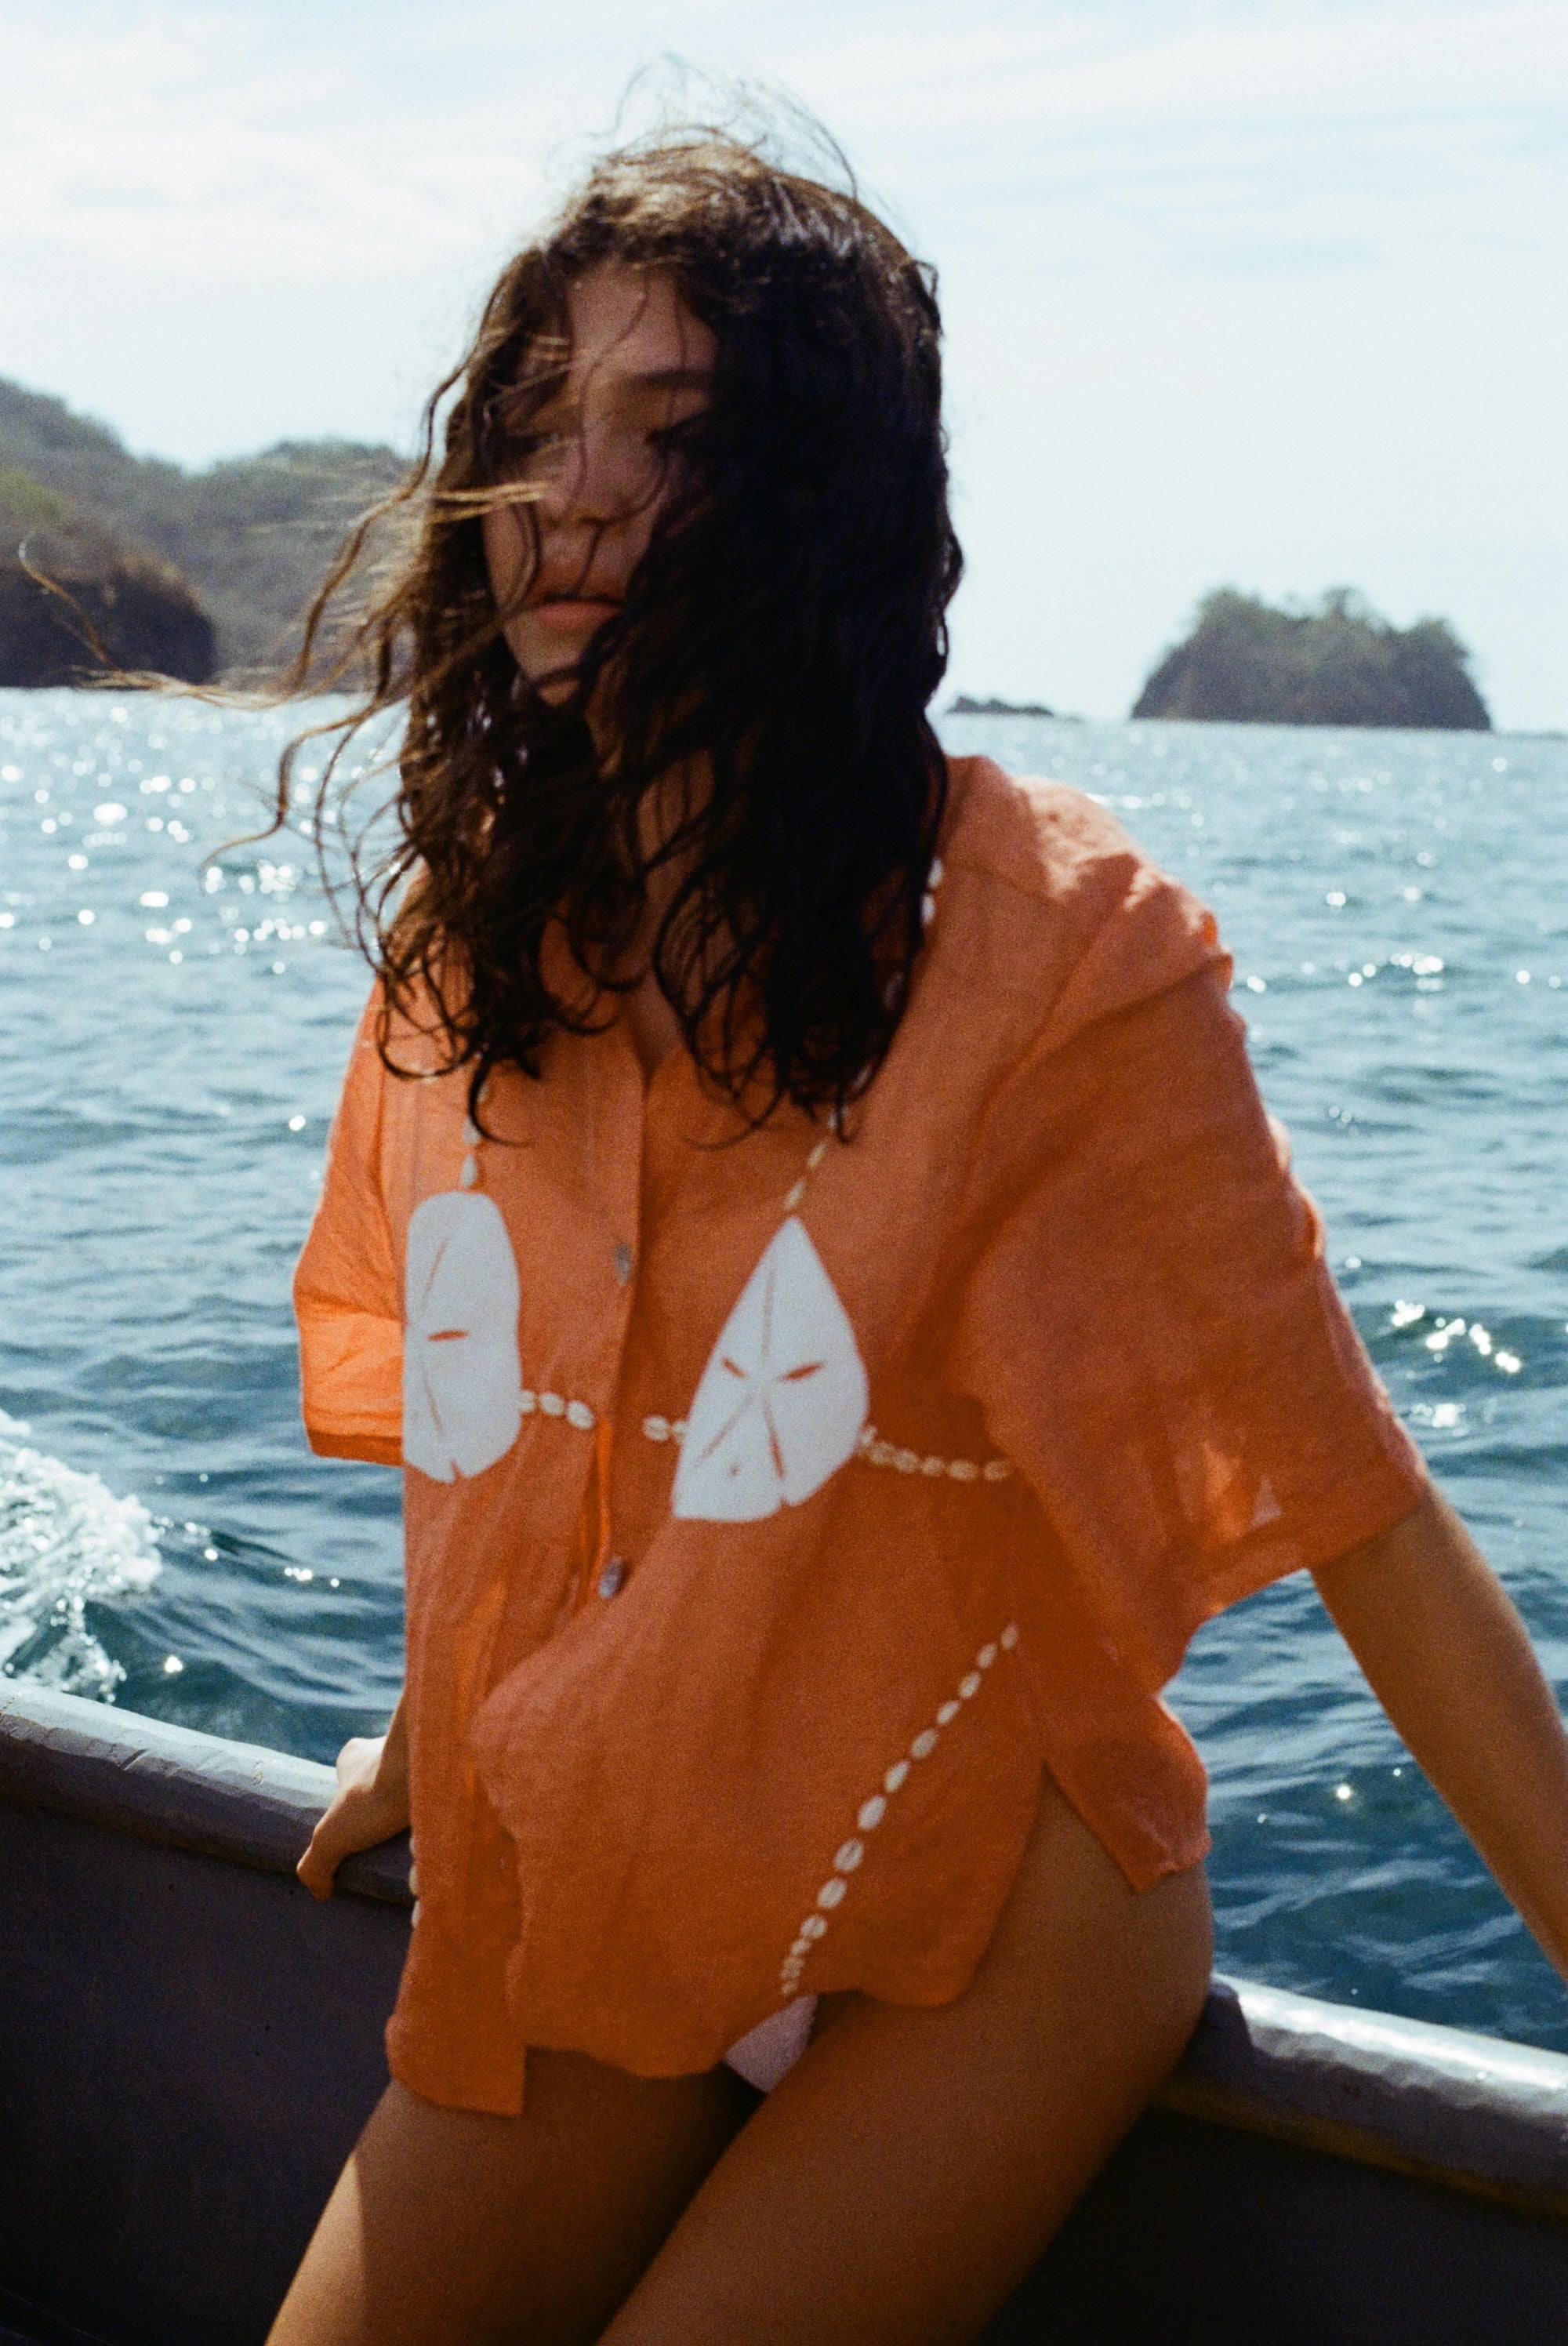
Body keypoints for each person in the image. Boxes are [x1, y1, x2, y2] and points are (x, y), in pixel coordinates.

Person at [269, 126, 1568, 2346]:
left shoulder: (1060, 958)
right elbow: (524, 1426)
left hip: (996, 1907)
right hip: (609, 1856)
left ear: (825, 502)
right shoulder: (471, 950)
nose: (567, 496)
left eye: (670, 435)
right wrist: (432, 1726)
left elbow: (1365, 1515)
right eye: (535, 425)